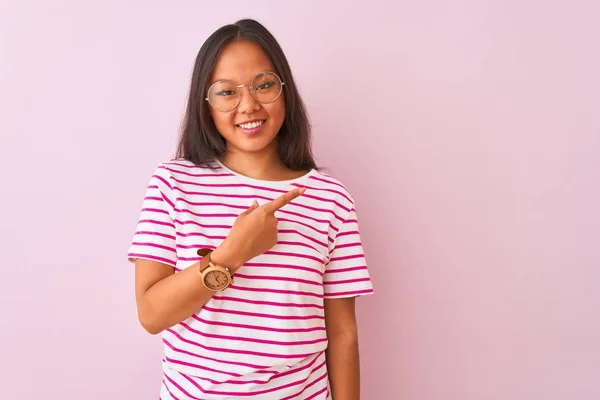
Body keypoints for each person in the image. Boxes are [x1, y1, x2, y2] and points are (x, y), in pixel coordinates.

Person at [127, 18, 373, 400]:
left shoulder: (329, 197)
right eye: (227, 92)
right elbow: (152, 314)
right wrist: (232, 253)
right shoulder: (173, 183)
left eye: (264, 85)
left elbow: (342, 331)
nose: (249, 105)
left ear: (284, 90)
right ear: (205, 105)